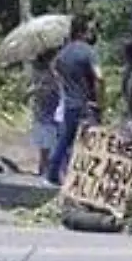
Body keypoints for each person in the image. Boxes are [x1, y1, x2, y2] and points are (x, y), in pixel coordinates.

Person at [47, 17, 101, 185]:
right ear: (82, 32)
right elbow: (99, 76)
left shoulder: (63, 53)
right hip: (86, 104)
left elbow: (53, 68)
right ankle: (87, 180)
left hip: (69, 104)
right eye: (88, 30)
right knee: (91, 143)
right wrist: (100, 101)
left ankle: (53, 174)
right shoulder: (87, 51)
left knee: (65, 140)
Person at [27, 49, 59, 177]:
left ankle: (44, 173)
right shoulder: (41, 73)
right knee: (48, 149)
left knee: (47, 149)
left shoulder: (53, 72)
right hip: (45, 114)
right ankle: (45, 174)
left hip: (47, 113)